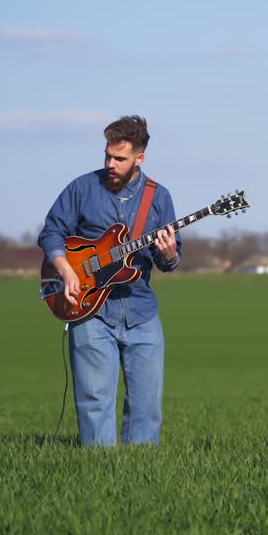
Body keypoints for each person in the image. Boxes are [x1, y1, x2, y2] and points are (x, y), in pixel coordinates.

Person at [38, 115, 180, 446]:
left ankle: (139, 475)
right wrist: (65, 268)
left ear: (139, 158)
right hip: (90, 309)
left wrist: (169, 254)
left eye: (120, 158)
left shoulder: (159, 198)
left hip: (141, 310)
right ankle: (99, 473)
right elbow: (51, 231)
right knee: (94, 403)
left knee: (146, 407)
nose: (110, 164)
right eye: (107, 156)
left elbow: (169, 262)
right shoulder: (82, 188)